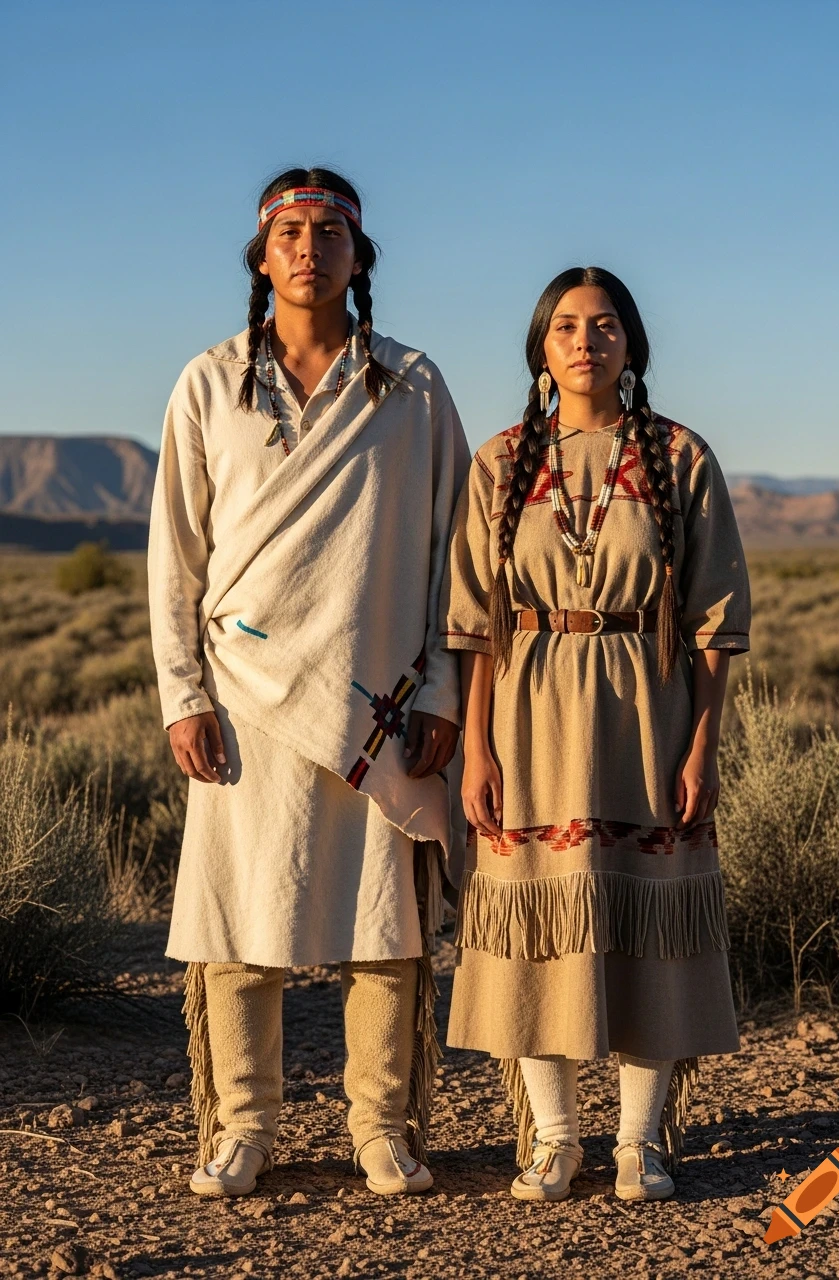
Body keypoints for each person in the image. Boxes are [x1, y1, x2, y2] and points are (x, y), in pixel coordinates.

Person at [148, 167, 469, 1198]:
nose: (307, 245)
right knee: (243, 921)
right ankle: (242, 1124)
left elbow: (451, 546)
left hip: (376, 692)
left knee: (384, 924)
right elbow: (174, 555)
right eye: (287, 228)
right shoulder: (208, 382)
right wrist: (181, 692)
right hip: (243, 690)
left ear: (356, 255)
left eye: (329, 230)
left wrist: (439, 692)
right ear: (261, 253)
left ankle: (380, 1125)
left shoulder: (411, 385)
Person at [440, 266, 750, 1203]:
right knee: (536, 918)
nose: (586, 341)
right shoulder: (498, 462)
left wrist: (703, 745)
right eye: (568, 326)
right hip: (526, 715)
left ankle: (639, 1143)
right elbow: (475, 622)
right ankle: (555, 1141)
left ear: (632, 343)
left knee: (650, 916)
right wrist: (477, 747)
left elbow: (715, 621)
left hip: (644, 712)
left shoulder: (681, 456)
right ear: (542, 346)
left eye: (605, 324)